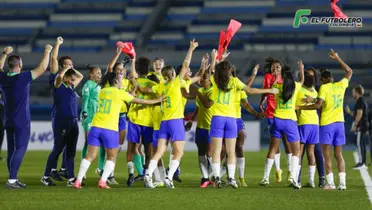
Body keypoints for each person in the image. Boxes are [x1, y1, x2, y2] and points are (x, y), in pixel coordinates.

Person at [198, 54, 278, 189]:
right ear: (229, 70)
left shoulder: (214, 79)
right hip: (231, 120)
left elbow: (212, 70)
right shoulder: (235, 81)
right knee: (231, 151)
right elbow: (251, 90)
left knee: (217, 151)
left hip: (217, 118)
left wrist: (214, 59)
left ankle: (217, 177)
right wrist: (270, 89)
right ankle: (231, 179)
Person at [74, 72, 163, 189]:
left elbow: (121, 99)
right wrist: (157, 100)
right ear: (116, 81)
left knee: (90, 156)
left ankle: (78, 181)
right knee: (112, 157)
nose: (122, 81)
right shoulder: (120, 93)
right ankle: (103, 181)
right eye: (120, 79)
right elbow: (140, 101)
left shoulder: (102, 91)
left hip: (95, 127)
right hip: (109, 129)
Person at [142, 39, 199, 188]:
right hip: (175, 121)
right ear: (173, 74)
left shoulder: (162, 85)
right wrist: (191, 49)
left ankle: (148, 174)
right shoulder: (176, 83)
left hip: (164, 123)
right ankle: (168, 177)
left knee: (160, 151)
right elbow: (186, 64)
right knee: (179, 152)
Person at [298, 49, 352, 190]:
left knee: (326, 154)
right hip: (340, 123)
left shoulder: (323, 88)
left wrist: (302, 107)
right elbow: (349, 71)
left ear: (322, 80)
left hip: (327, 124)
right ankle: (343, 183)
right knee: (338, 155)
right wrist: (337, 58)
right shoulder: (340, 85)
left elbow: (318, 105)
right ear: (332, 77)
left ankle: (331, 183)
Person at [0, 44, 53, 188]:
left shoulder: (3, 78)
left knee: (11, 149)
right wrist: (47, 51)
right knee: (20, 148)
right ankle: (11, 180)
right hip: (21, 120)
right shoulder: (22, 78)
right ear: (20, 65)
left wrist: (4, 54)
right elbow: (42, 68)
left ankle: (13, 178)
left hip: (8, 120)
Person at [260, 60, 304, 189]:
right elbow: (301, 81)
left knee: (273, 149)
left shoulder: (278, 88)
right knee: (296, 151)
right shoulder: (295, 87)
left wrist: (276, 77)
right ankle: (293, 178)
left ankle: (265, 178)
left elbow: (271, 88)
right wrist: (301, 69)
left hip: (277, 120)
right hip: (290, 121)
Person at [41, 62, 84, 186]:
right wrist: (65, 70)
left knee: (71, 151)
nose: (73, 78)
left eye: (72, 76)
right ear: (65, 77)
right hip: (61, 121)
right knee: (58, 149)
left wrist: (72, 68)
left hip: (73, 121)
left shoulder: (71, 87)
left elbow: (80, 76)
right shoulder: (58, 86)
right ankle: (45, 176)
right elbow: (59, 77)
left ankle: (71, 179)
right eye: (70, 76)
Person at [259, 58, 293, 183]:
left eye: (278, 67)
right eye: (273, 67)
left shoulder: (285, 79)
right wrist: (262, 102)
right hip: (270, 114)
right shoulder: (268, 77)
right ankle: (278, 170)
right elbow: (266, 91)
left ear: (282, 69)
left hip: (282, 113)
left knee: (286, 142)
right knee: (274, 143)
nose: (275, 69)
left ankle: (290, 171)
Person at [126, 56, 157, 186]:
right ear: (149, 69)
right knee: (148, 151)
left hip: (134, 118)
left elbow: (128, 98)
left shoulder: (132, 82)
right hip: (148, 121)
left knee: (131, 149)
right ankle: (147, 177)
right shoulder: (154, 85)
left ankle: (131, 175)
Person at [48, 37, 73, 179]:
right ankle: (51, 170)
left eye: (71, 63)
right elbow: (54, 59)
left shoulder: (70, 80)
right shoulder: (56, 76)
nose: (70, 66)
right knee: (58, 145)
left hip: (68, 116)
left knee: (66, 145)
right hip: (58, 115)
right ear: (62, 66)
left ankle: (63, 168)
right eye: (67, 64)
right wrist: (57, 44)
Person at [297, 67, 325, 188]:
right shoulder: (315, 92)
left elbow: (295, 106)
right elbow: (321, 103)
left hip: (303, 122)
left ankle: (296, 179)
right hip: (315, 123)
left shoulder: (298, 91)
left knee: (299, 152)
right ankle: (311, 180)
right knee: (311, 152)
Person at [185, 72, 213, 188]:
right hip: (201, 127)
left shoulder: (213, 91)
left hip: (212, 127)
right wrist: (191, 120)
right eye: (201, 78)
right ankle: (205, 178)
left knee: (210, 153)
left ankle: (214, 176)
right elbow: (199, 107)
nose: (202, 80)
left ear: (210, 80)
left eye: (204, 78)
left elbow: (207, 104)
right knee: (201, 152)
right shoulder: (201, 91)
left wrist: (197, 91)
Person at [80, 65, 102, 178]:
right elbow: (85, 99)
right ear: (91, 74)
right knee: (89, 142)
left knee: (90, 143)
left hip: (96, 117)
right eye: (97, 73)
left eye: (100, 73)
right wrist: (84, 111)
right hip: (89, 116)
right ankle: (83, 170)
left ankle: (98, 167)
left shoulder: (96, 85)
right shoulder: (88, 84)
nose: (100, 75)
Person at [345, 85, 369, 169]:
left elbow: (359, 114)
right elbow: (356, 114)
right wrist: (349, 112)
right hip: (363, 124)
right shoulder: (361, 101)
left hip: (361, 125)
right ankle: (363, 162)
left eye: (353, 92)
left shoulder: (360, 101)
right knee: (360, 143)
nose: (352, 94)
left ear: (356, 92)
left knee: (359, 143)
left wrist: (355, 125)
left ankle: (362, 163)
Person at [0, 46, 13, 161]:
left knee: (1, 131)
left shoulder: (3, 78)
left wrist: (5, 54)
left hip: (2, 107)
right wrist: (4, 54)